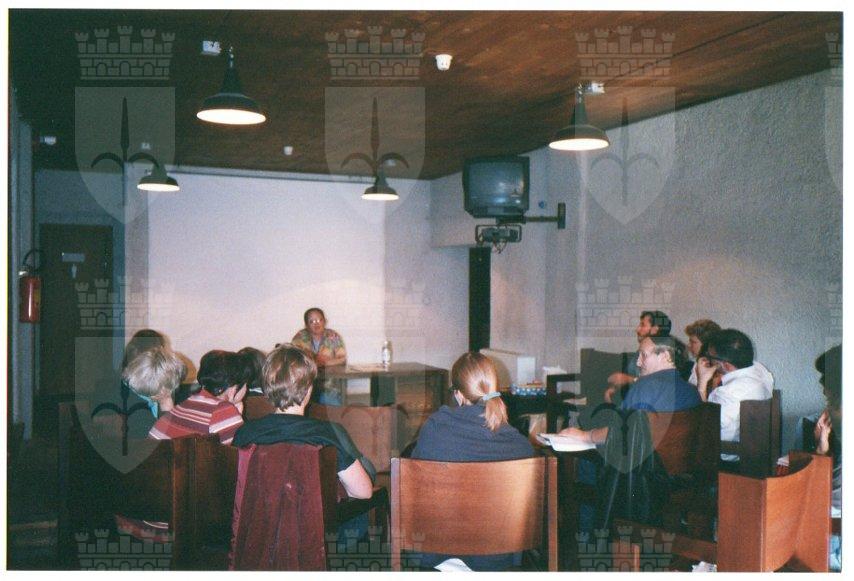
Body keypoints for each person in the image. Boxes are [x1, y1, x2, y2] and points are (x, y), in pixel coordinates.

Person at [411, 352, 534, 571]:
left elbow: (414, 487)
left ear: (458, 394)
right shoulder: (522, 447)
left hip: (438, 553)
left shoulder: (435, 429)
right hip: (498, 560)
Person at [233, 344, 374, 499]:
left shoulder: (244, 434)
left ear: (266, 390)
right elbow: (364, 492)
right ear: (308, 390)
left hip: (260, 514)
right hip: (313, 514)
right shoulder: (325, 434)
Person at [560, 336, 701, 444]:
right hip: (676, 468)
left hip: (640, 467)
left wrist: (585, 436)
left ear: (665, 356)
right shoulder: (692, 392)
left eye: (643, 355)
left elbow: (619, 431)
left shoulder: (644, 385)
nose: (638, 362)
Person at [795, 345, 841, 570]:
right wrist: (822, 448)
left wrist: (819, 452)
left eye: (831, 402)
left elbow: (825, 496)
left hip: (834, 534)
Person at [695, 329, 773, 460]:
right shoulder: (761, 373)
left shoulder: (727, 393)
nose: (708, 360)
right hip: (754, 452)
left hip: (724, 457)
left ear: (726, 365)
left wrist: (702, 383)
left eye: (711, 357)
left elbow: (702, 426)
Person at [148, 350, 247, 445]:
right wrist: (236, 416)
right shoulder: (224, 411)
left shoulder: (188, 402)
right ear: (233, 388)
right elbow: (233, 454)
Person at [607, 311, 676, 400]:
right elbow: (628, 374)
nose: (637, 329)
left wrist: (628, 379)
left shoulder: (664, 353)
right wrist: (614, 388)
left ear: (654, 329)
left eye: (642, 325)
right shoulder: (643, 349)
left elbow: (657, 385)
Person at [121, 345, 186, 437]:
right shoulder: (138, 413)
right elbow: (167, 438)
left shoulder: (133, 387)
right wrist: (166, 402)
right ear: (162, 389)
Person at [684, 319, 722, 386]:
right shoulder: (687, 367)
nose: (688, 345)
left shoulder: (717, 376)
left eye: (693, 342)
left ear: (707, 345)